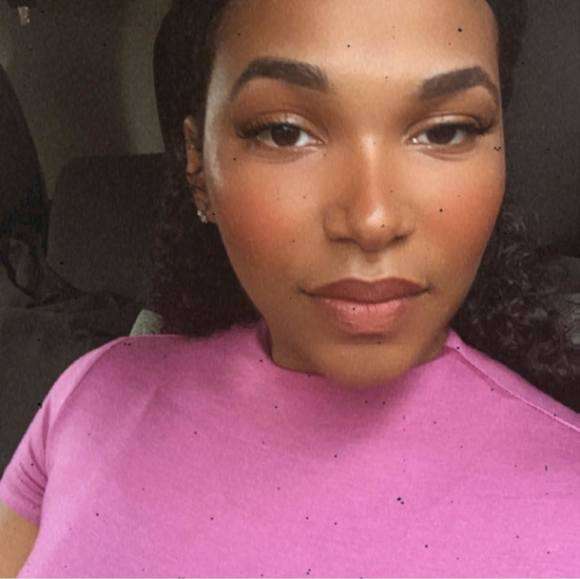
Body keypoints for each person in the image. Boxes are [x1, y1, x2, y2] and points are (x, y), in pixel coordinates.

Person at [1, 1, 579, 576]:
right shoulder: (92, 395)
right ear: (198, 165)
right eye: (285, 132)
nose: (372, 219)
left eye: (446, 130)